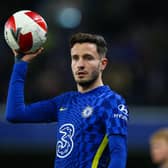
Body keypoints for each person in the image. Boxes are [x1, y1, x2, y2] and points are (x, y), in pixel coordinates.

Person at [5, 32, 129, 168]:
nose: (80, 64)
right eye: (75, 58)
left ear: (102, 64)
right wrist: (20, 63)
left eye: (88, 58)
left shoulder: (110, 101)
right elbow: (15, 114)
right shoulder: (64, 101)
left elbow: (118, 153)